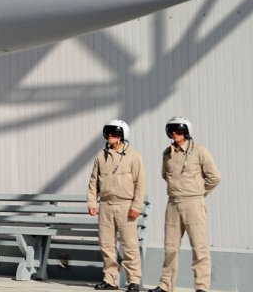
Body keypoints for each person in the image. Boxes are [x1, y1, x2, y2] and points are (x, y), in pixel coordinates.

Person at [151, 116, 221, 292]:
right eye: (172, 130)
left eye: (179, 130)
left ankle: (202, 286)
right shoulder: (167, 153)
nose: (175, 133)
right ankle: (166, 285)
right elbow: (165, 175)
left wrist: (198, 193)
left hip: (193, 203)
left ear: (187, 132)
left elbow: (214, 177)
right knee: (170, 247)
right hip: (173, 204)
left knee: (199, 246)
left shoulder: (199, 151)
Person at [86, 119, 146, 291]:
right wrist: (92, 202)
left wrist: (136, 206)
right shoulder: (101, 156)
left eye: (114, 133)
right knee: (106, 244)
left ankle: (133, 280)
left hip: (125, 206)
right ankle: (110, 279)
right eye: (108, 133)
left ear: (122, 135)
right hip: (105, 205)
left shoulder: (134, 156)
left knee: (129, 244)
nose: (110, 136)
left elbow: (140, 183)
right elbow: (93, 182)